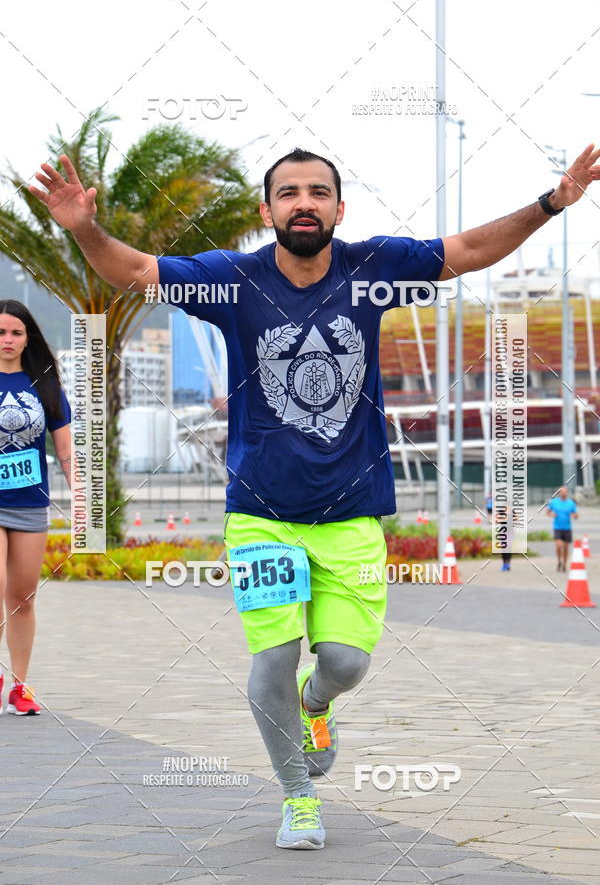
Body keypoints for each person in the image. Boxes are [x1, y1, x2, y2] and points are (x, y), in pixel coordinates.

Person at [29, 143, 600, 849]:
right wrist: (84, 228)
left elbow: (473, 247)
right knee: (271, 657)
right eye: (290, 192)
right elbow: (138, 271)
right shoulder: (231, 280)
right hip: (260, 514)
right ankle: (298, 796)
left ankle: (316, 703)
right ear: (267, 210)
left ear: (338, 208)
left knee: (345, 662)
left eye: (319, 191)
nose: (305, 202)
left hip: (351, 515)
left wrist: (552, 202)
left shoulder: (376, 269)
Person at [0, 300, 72, 716]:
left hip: (30, 505)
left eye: (16, 333)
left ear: (28, 339)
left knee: (23, 597)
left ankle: (19, 686)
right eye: (1, 332)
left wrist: (80, 495)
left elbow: (65, 450)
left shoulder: (44, 385)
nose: (8, 341)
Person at [547, 485, 578, 572]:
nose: (563, 493)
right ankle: (559, 561)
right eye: (561, 491)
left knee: (566, 547)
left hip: (567, 528)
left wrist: (574, 515)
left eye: (564, 491)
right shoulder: (554, 502)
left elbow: (576, 515)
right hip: (557, 527)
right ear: (559, 493)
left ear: (567, 493)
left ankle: (564, 564)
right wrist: (551, 514)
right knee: (559, 545)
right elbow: (548, 512)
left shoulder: (571, 503)